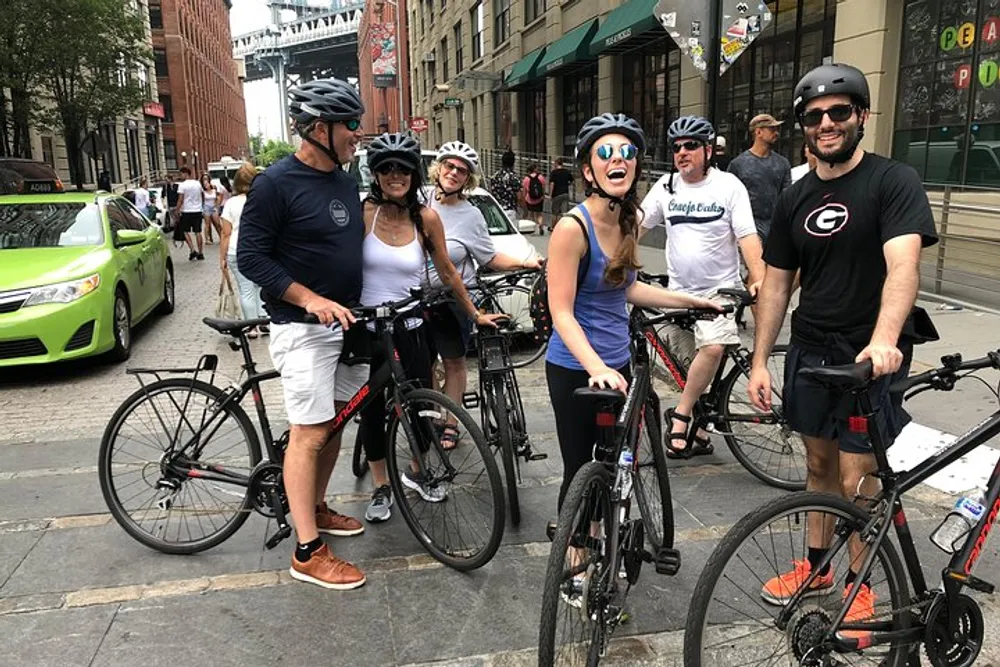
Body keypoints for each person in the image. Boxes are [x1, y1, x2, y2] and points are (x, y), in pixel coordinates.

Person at [746, 63, 938, 628]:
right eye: (814, 116)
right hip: (810, 349)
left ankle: (860, 582)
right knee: (817, 461)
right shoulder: (795, 197)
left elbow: (904, 265)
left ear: (862, 116)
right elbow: (778, 283)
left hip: (866, 357)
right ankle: (817, 566)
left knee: (858, 477)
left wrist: (883, 341)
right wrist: (759, 360)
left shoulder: (892, 180)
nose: (826, 123)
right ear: (802, 127)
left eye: (838, 112)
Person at [546, 112, 720, 529]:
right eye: (605, 153)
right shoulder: (572, 229)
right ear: (588, 169)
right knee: (579, 466)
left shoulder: (629, 220)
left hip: (617, 363)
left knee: (613, 460)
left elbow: (627, 290)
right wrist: (596, 368)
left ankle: (602, 536)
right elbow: (561, 313)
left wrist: (692, 301)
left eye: (626, 153)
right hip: (575, 367)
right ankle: (573, 548)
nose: (617, 160)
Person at [238, 77, 370, 591]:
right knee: (309, 433)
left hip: (346, 324)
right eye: (350, 125)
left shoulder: (342, 178)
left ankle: (312, 506)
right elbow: (250, 256)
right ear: (320, 129)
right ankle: (307, 550)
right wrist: (309, 298)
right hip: (302, 329)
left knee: (334, 425)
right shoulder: (275, 183)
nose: (357, 135)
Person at [357, 133, 505, 523]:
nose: (395, 175)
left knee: (421, 404)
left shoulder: (426, 218)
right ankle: (381, 485)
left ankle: (419, 472)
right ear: (376, 174)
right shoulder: (364, 213)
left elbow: (447, 270)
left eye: (403, 169)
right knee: (372, 412)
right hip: (369, 327)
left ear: (414, 174)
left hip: (410, 325)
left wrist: (474, 314)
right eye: (387, 168)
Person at [638, 116, 765, 458]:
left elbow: (747, 236)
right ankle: (700, 432)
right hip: (679, 294)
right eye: (676, 147)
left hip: (720, 291)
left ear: (708, 150)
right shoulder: (665, 187)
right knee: (684, 366)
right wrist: (610, 259)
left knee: (712, 348)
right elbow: (636, 224)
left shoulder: (729, 187)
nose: (682, 153)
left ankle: (680, 417)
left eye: (691, 145)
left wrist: (757, 275)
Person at [424, 141, 542, 449]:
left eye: (461, 171)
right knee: (422, 363)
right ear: (439, 168)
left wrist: (526, 261)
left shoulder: (471, 215)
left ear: (468, 179)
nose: (453, 173)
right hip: (413, 297)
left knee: (453, 361)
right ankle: (431, 414)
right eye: (449, 166)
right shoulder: (418, 200)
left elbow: (489, 257)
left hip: (452, 297)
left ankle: (451, 422)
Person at [727, 114, 792, 243]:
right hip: (749, 229)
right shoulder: (738, 165)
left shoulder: (782, 163)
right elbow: (729, 200)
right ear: (759, 132)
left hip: (776, 228)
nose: (776, 133)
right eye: (772, 129)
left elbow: (787, 198)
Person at [220, 162, 266, 337]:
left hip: (236, 250)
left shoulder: (231, 203)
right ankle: (264, 320)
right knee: (261, 286)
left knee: (245, 289)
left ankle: (252, 327)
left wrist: (222, 259)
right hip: (260, 248)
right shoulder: (262, 200)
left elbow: (226, 233)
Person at [174, 166, 205, 260]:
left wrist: (177, 210)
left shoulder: (182, 185)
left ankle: (192, 250)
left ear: (185, 173)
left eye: (181, 174)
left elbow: (181, 199)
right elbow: (202, 195)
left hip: (187, 211)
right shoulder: (197, 184)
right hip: (197, 210)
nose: (181, 176)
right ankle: (200, 252)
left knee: (185, 231)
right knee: (198, 232)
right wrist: (201, 205)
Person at [488, 148, 520, 222]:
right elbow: (520, 196)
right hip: (510, 211)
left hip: (497, 210)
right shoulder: (513, 177)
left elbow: (491, 192)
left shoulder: (494, 176)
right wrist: (525, 210)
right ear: (513, 162)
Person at [547, 157, 573, 231]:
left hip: (557, 194)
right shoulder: (567, 171)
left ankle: (553, 227)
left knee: (555, 212)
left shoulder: (554, 172)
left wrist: (550, 194)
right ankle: (562, 228)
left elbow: (552, 184)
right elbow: (571, 180)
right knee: (564, 212)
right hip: (565, 193)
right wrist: (567, 184)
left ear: (556, 164)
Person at [521, 163, 546, 234]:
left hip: (530, 199)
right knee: (539, 214)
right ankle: (540, 224)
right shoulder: (540, 177)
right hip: (539, 198)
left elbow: (525, 190)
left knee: (531, 214)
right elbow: (543, 187)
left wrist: (524, 198)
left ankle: (533, 230)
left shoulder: (526, 179)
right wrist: (543, 196)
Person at [201, 174, 221, 244]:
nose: (205, 181)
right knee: (207, 224)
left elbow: (218, 196)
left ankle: (221, 237)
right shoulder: (202, 191)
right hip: (206, 207)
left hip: (213, 207)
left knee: (217, 223)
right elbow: (202, 200)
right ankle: (207, 239)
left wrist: (217, 205)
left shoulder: (214, 188)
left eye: (206, 179)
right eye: (204, 179)